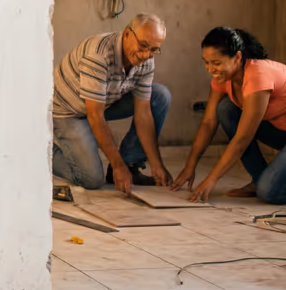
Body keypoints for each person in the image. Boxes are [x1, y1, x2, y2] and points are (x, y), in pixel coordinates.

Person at [52, 14, 172, 193]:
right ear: (127, 35)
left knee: (160, 95)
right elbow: (95, 116)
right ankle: (42, 152)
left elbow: (143, 114)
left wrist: (157, 165)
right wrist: (117, 165)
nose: (146, 55)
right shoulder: (98, 55)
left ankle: (130, 163)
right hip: (69, 111)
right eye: (143, 46)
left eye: (154, 50)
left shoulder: (146, 60)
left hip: (101, 102)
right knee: (91, 179)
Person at [171, 28, 286, 204]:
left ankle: (265, 184)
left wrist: (211, 179)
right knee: (225, 108)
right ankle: (259, 178)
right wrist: (190, 165)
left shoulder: (257, 74)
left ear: (238, 57)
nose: (210, 69)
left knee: (269, 193)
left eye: (216, 63)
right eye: (206, 62)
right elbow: (208, 123)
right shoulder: (222, 79)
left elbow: (242, 139)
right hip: (280, 132)